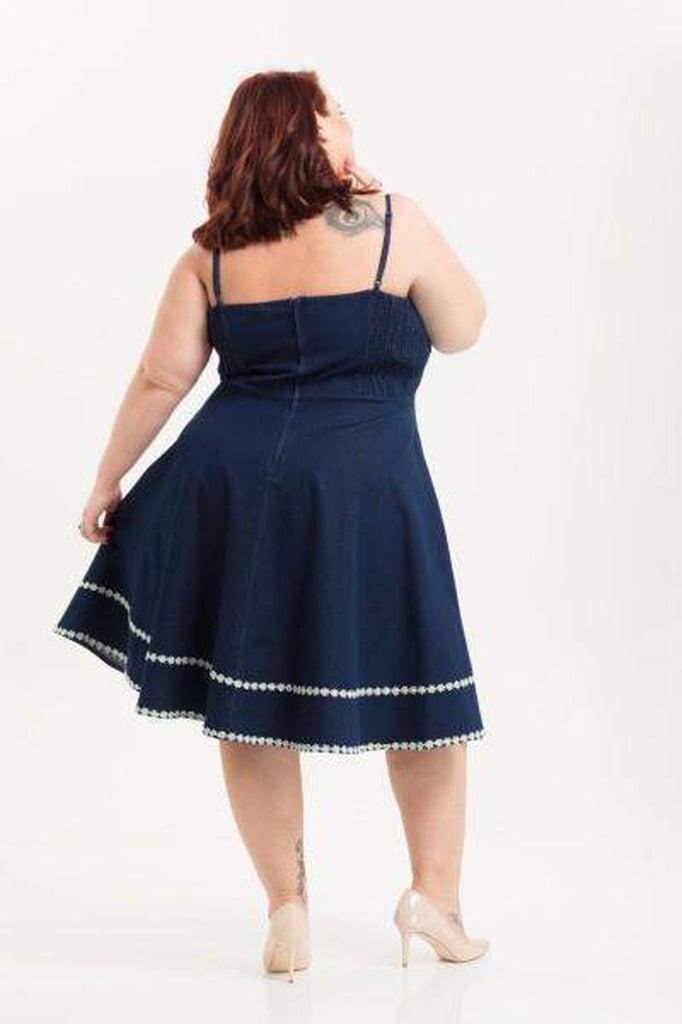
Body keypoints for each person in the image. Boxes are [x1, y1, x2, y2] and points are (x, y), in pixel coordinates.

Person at [53, 69, 489, 979]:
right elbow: (463, 328)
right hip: (369, 490)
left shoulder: (210, 255)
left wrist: (108, 478)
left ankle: (287, 912)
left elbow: (162, 378)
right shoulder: (392, 224)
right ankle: (434, 901)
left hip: (239, 491)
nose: (350, 124)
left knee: (249, 703)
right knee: (424, 692)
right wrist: (374, 207)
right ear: (310, 135)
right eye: (338, 114)